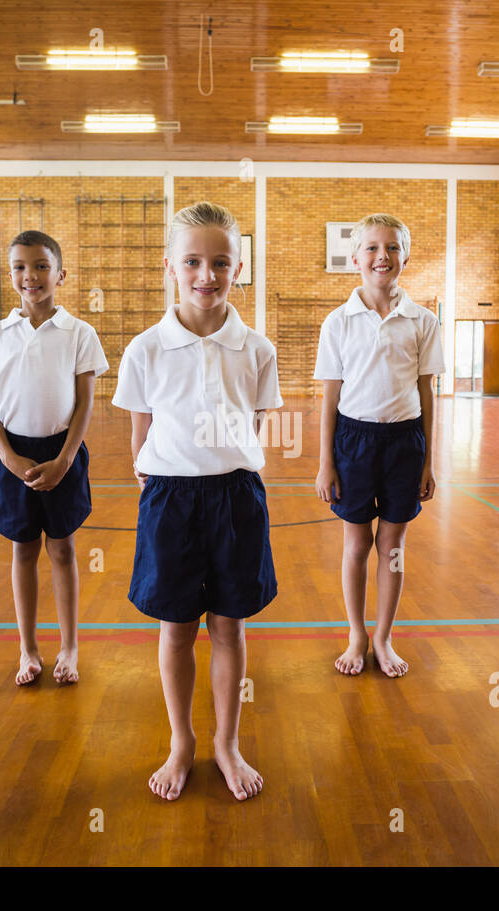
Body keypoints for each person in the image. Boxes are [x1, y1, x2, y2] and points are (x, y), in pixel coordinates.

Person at [112, 201, 282, 801]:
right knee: (176, 628)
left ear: (239, 267)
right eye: (192, 261)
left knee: (230, 627)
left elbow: (253, 424)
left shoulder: (256, 348)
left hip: (236, 498)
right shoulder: (145, 349)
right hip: (170, 501)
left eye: (221, 262)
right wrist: (165, 483)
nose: (206, 274)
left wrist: (221, 468)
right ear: (169, 266)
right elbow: (140, 434)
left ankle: (226, 743)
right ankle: (181, 742)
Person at [0, 230, 108, 686]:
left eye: (42, 266)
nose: (31, 276)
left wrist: (65, 460)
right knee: (22, 550)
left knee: (62, 550)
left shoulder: (79, 333)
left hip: (62, 452)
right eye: (21, 267)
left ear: (60, 274)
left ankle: (69, 648)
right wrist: (5, 455)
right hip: (14, 454)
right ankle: (28, 650)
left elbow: (85, 403)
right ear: (10, 275)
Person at [313, 213, 445, 678]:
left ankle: (384, 637)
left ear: (405, 257)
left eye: (391, 248)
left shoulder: (422, 320)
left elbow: (427, 394)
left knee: (392, 544)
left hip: (405, 443)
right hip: (353, 441)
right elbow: (330, 395)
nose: (381, 256)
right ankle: (356, 633)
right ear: (354, 259)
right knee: (356, 542)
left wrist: (429, 460)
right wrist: (326, 462)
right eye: (371, 248)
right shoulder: (338, 321)